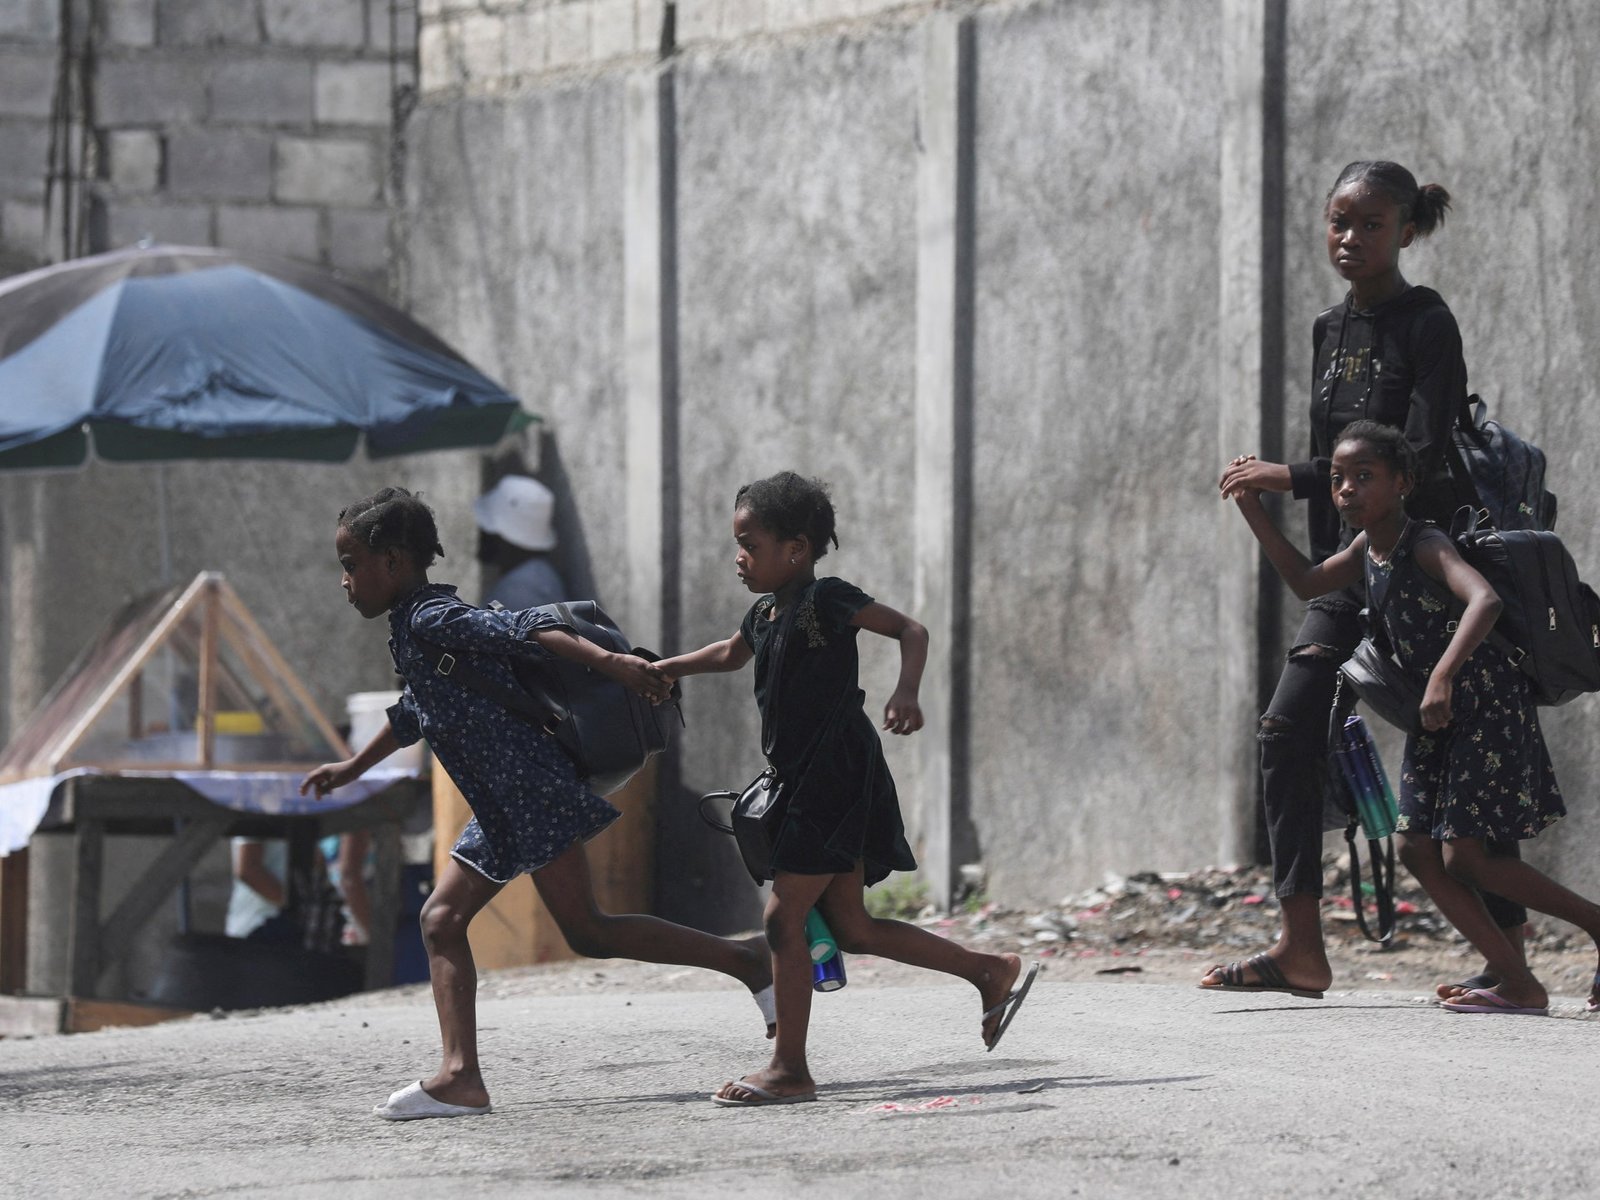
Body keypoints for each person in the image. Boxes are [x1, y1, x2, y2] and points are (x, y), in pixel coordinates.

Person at [299, 486, 776, 1121]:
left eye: (351, 563)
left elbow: (529, 625)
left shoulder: (429, 619)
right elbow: (418, 709)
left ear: (392, 562)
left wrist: (611, 663)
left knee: (588, 932)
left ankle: (747, 960)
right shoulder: (418, 626)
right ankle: (459, 1076)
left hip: (530, 796)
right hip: (506, 803)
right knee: (446, 921)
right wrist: (352, 767)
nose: (344, 581)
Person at [1205, 160, 1528, 1000]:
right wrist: (1314, 546)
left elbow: (1413, 452)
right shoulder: (1328, 328)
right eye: (1338, 221)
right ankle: (1301, 948)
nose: (1350, 239)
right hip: (1353, 572)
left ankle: (1513, 952)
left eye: (1371, 225)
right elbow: (1348, 466)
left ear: (1407, 231)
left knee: (1465, 757)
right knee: (1286, 731)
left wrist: (1292, 475)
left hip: (1421, 562)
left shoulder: (1429, 323)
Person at [654, 471, 1037, 1107]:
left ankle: (789, 1068)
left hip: (834, 775)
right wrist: (665, 669)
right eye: (737, 544)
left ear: (796, 548)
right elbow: (729, 653)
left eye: (750, 544)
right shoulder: (765, 612)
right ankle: (988, 971)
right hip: (804, 778)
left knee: (783, 919)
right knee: (852, 928)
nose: (739, 558)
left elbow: (910, 630)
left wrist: (906, 690)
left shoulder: (826, 599)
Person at [1227, 421, 1600, 1016]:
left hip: (1483, 707)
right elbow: (1305, 582)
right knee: (1417, 852)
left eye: (1364, 477)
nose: (1347, 490)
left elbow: (1485, 599)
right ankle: (1517, 983)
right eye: (1338, 480)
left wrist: (1444, 674)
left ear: (1403, 483)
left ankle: (1584, 933)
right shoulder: (1364, 548)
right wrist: (1253, 510)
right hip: (1442, 718)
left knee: (1467, 858)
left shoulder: (1424, 542)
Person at [474, 474, 567, 611]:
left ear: (504, 537)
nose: (481, 533)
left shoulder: (520, 592)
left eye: (487, 527)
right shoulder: (532, 578)